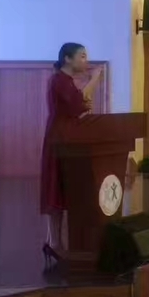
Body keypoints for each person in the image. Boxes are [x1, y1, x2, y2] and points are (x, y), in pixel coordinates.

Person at [40, 43, 102, 265]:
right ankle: (54, 243)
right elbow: (79, 104)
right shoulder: (60, 80)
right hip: (60, 139)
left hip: (64, 138)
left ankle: (53, 242)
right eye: (82, 56)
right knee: (56, 189)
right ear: (67, 58)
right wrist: (94, 79)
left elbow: (79, 106)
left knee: (59, 189)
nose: (86, 60)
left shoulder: (64, 80)